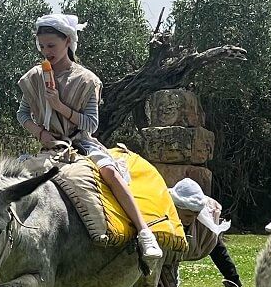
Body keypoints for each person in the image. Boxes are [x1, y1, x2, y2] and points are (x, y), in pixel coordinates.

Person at [17, 14, 163, 260]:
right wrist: (41, 133)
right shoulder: (34, 78)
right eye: (42, 46)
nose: (46, 52)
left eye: (51, 45)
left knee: (110, 173)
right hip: (49, 146)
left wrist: (60, 106)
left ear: (68, 41)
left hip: (81, 143)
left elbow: (91, 124)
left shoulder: (86, 80)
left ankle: (144, 232)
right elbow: (22, 114)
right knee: (7, 179)